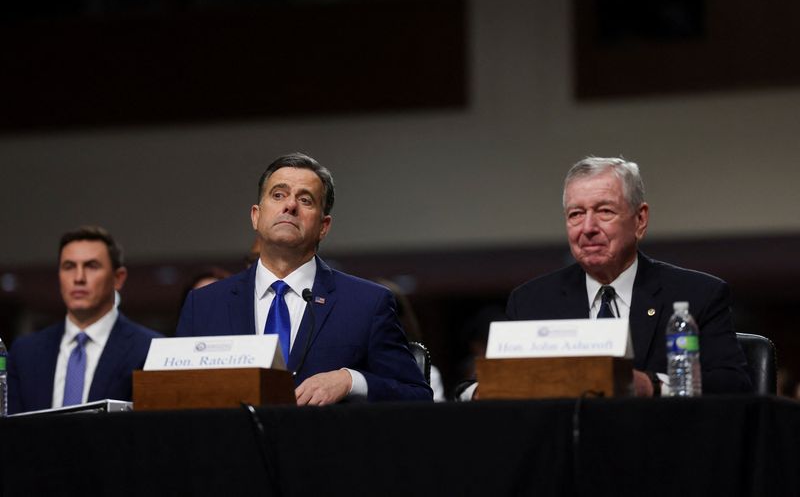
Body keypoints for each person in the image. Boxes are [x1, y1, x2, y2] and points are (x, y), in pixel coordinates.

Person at [463, 156, 751, 399]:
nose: (587, 227)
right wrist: (481, 392)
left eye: (604, 211)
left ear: (640, 220)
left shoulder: (698, 294)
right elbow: (485, 387)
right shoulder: (531, 301)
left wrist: (653, 385)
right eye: (576, 214)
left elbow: (733, 386)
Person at [176, 153, 432, 405]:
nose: (290, 205)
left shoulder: (367, 303)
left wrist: (351, 381)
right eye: (278, 195)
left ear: (324, 226)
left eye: (306, 200)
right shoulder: (205, 304)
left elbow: (416, 395)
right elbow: (173, 394)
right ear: (256, 215)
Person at [7, 226, 162, 414]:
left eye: (91, 266)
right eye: (69, 267)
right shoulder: (25, 352)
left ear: (118, 278)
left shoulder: (150, 350)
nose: (78, 278)